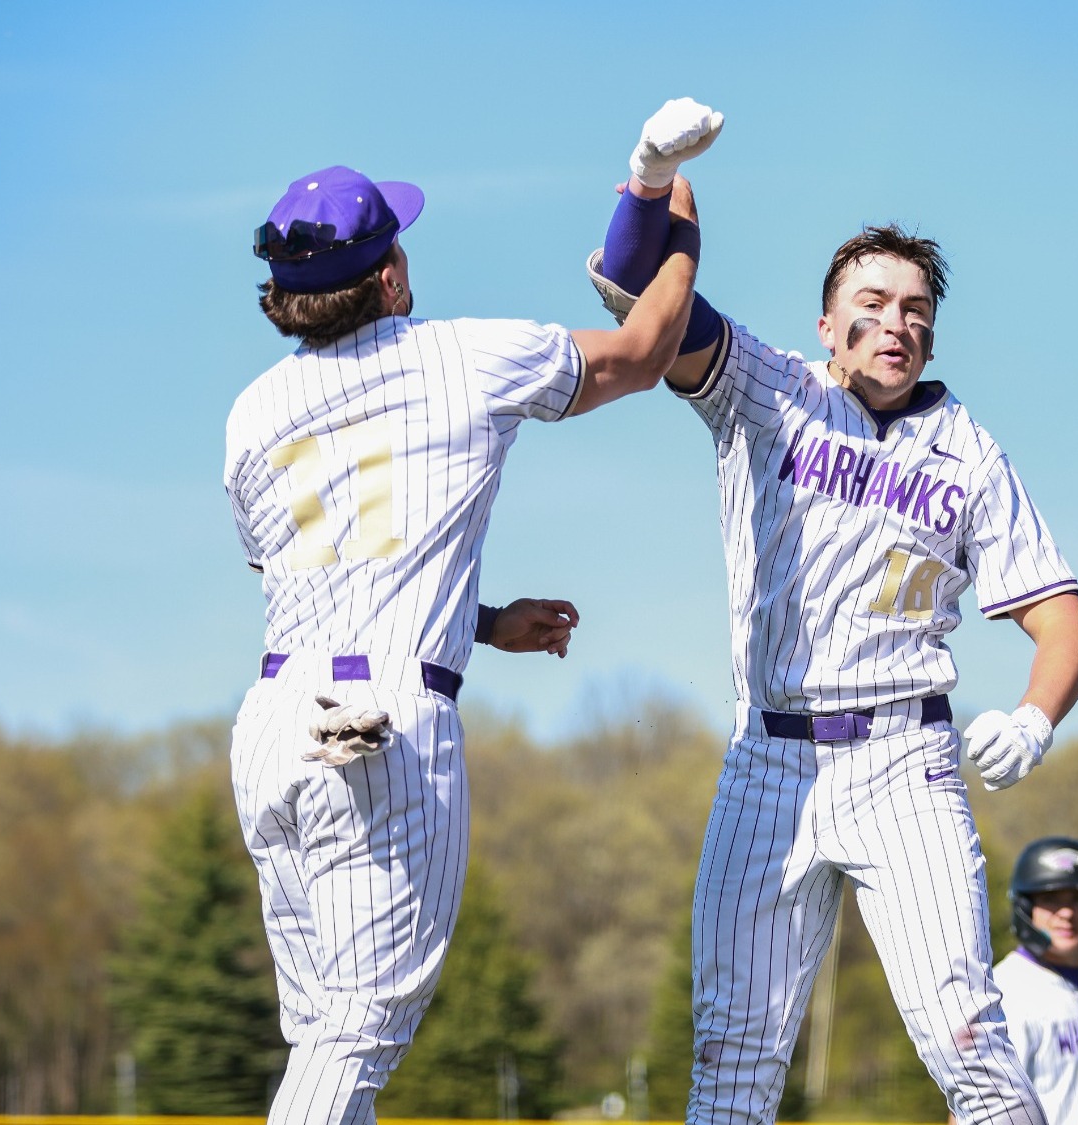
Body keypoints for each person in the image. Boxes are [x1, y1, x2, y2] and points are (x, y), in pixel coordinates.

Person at [589, 104, 1078, 1125]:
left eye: (915, 308)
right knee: (730, 1062)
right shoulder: (768, 390)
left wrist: (1035, 718)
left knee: (969, 1043)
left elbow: (1065, 624)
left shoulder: (967, 451)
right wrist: (647, 175)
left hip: (902, 762)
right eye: (871, 301)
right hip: (765, 759)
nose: (896, 322)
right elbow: (632, 293)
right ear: (826, 324)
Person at [225, 103, 718, 1125]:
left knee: (323, 1036)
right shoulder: (463, 356)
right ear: (391, 277)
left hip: (274, 719)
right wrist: (684, 239)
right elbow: (637, 351)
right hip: (380, 727)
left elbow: (312, 568)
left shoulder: (252, 411)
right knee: (358, 1033)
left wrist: (484, 622)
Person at [990, 837, 1078, 1125]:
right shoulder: (1003, 994)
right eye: (1051, 899)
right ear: (1025, 910)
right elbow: (972, 1108)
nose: (1066, 913)